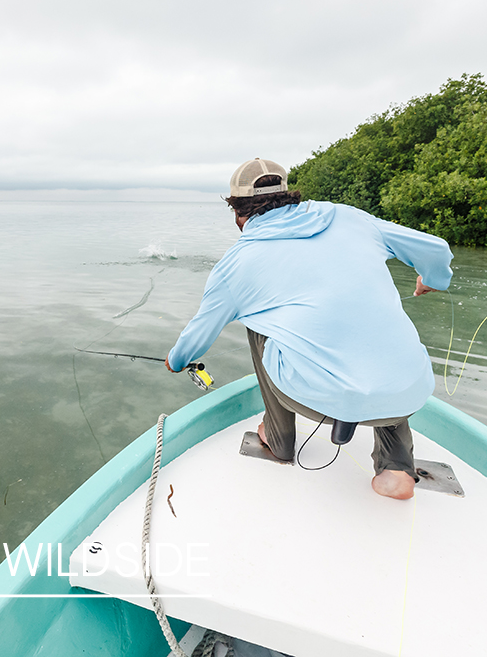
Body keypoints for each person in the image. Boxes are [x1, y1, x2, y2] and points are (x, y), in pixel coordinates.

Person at [165, 158, 453, 500]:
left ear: (238, 213)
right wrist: (433, 279)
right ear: (288, 195)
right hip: (409, 392)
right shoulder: (350, 217)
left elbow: (197, 336)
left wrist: (177, 360)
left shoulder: (237, 261)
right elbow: (437, 248)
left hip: (314, 401)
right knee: (379, 334)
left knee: (259, 324)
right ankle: (396, 468)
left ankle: (279, 439)